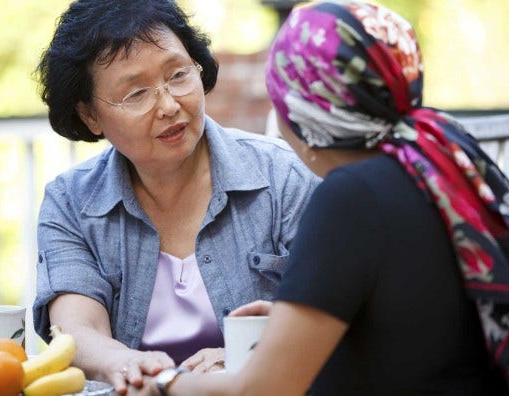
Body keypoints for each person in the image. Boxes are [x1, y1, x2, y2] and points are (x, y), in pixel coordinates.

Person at [130, 1, 509, 395]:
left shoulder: (351, 196)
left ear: (305, 118)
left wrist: (167, 382)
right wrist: (297, 314)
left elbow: (265, 390)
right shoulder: (441, 159)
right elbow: (411, 312)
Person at [31, 0, 320, 393]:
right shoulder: (71, 203)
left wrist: (234, 356)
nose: (169, 105)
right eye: (136, 94)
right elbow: (76, 330)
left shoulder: (285, 178)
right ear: (90, 116)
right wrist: (131, 366)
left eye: (179, 75)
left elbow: (327, 321)